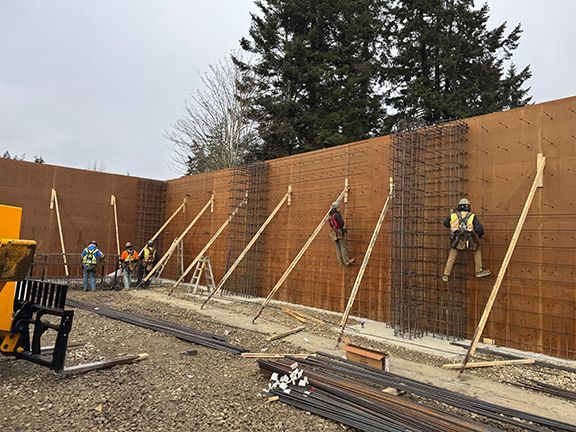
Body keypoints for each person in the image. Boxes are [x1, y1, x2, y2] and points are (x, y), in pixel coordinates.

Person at [442, 198, 491, 282]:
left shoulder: (453, 215)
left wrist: (451, 218)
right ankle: (478, 270)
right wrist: (480, 235)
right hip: (469, 241)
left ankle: (446, 275)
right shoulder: (472, 216)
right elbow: (479, 229)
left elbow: (445, 223)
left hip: (456, 241)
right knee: (477, 251)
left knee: (452, 255)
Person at [328, 201, 355, 266]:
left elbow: (331, 224)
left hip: (334, 232)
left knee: (337, 247)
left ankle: (340, 261)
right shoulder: (336, 215)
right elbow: (341, 223)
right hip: (339, 231)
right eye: (338, 207)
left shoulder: (330, 215)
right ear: (336, 208)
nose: (339, 208)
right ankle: (346, 261)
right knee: (343, 247)